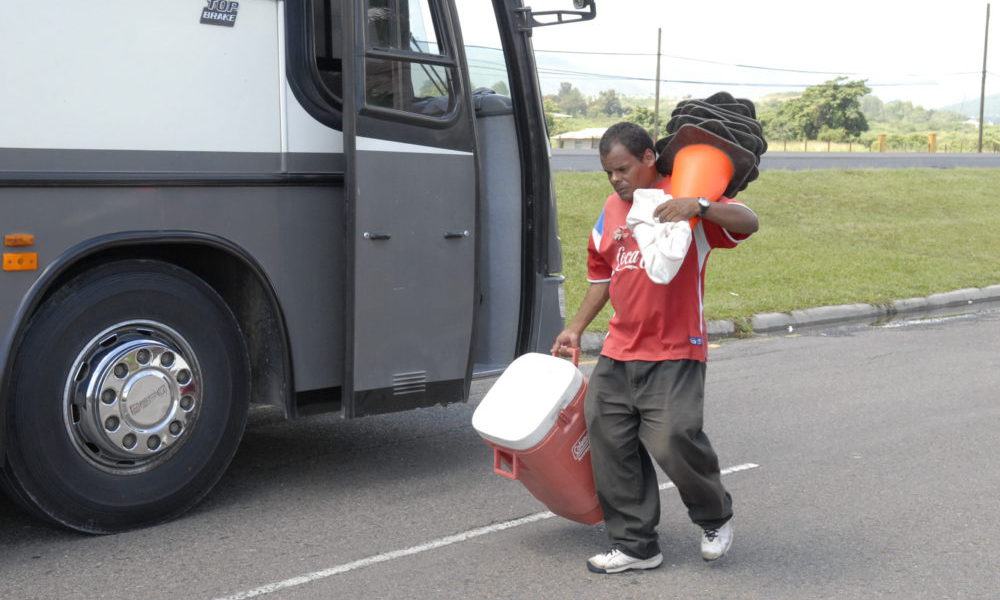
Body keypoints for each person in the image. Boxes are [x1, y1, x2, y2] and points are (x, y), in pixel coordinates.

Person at [552, 122, 759, 574]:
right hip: (618, 350)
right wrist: (575, 328)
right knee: (610, 444)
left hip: (675, 349)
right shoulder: (612, 210)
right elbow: (603, 276)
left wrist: (700, 206)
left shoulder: (685, 194)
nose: (616, 180)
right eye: (608, 172)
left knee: (674, 440)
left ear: (648, 157)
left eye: (622, 169)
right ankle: (636, 546)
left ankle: (715, 517)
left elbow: (749, 221)